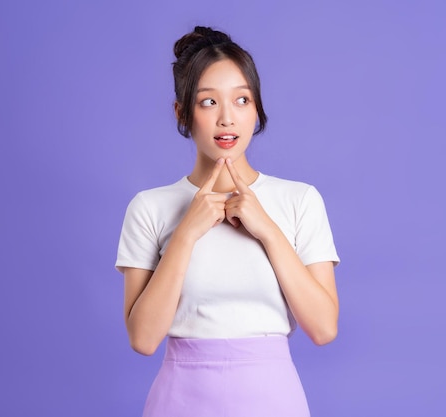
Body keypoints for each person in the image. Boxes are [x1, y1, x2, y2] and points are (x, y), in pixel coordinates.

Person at [116, 26, 340, 417]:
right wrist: (186, 233)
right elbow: (143, 339)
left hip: (274, 401)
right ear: (182, 113)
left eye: (241, 100)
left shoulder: (300, 200)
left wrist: (267, 230)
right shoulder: (149, 207)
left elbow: (324, 329)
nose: (227, 119)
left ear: (256, 109)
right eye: (207, 102)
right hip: (179, 402)